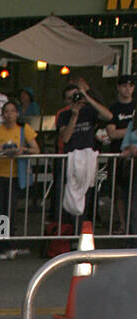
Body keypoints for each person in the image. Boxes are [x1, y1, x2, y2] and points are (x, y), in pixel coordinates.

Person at [54, 77, 112, 229]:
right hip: (70, 158)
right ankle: (69, 232)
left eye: (75, 96)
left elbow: (108, 116)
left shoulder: (89, 110)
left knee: (86, 196)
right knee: (68, 196)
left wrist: (87, 97)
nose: (73, 101)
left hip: (88, 159)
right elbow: (65, 137)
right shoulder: (63, 115)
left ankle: (83, 231)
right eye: (69, 99)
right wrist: (74, 115)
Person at [0, 98, 38, 257]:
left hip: (15, 175)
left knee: (11, 211)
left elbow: (36, 149)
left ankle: (10, 243)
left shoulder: (24, 129)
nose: (9, 115)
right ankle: (1, 245)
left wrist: (21, 150)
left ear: (17, 113)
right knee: (0, 211)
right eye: (6, 112)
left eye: (12, 111)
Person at [104, 72, 136, 232]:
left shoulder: (135, 106)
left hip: (134, 155)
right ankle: (123, 223)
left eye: (130, 86)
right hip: (118, 154)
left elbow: (117, 132)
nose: (127, 89)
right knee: (119, 192)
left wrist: (124, 131)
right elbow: (112, 133)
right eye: (124, 86)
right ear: (118, 87)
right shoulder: (113, 108)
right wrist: (132, 131)